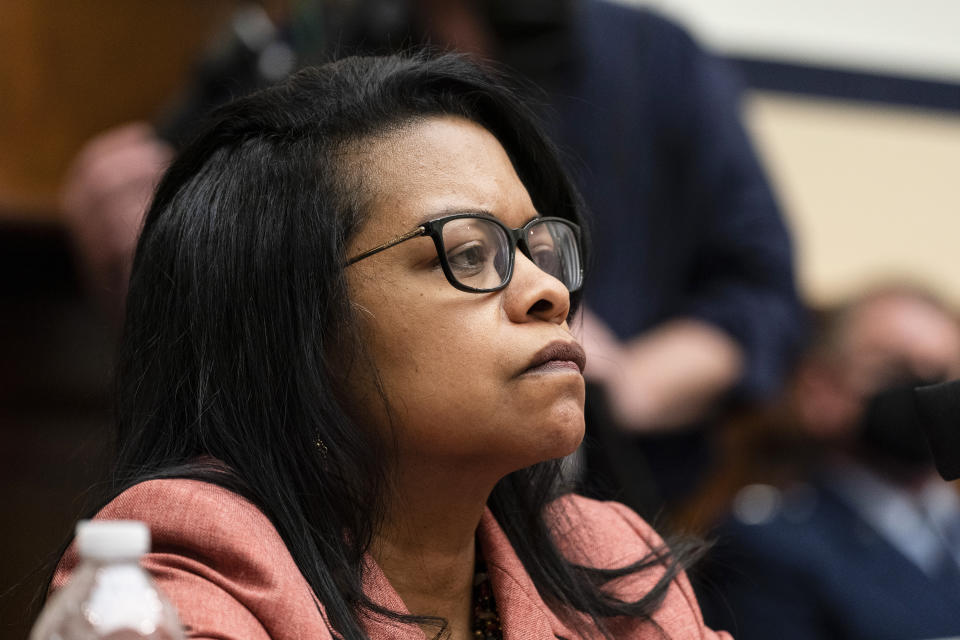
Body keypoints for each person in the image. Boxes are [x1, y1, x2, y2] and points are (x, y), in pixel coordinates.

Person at [46, 54, 730, 640]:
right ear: (299, 322)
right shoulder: (193, 558)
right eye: (468, 252)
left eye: (539, 248)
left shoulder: (607, 555)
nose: (546, 290)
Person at [702, 285, 960, 639]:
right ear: (820, 389)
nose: (924, 392)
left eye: (942, 375)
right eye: (893, 370)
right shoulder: (772, 544)